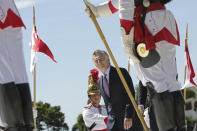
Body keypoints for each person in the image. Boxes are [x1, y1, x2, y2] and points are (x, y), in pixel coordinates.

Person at [84, 0, 186, 130]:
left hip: (146, 26)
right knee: (171, 83)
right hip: (163, 21)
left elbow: (122, 2)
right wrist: (97, 11)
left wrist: (97, 12)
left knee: (157, 84)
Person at [0, 0, 34, 130]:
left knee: (4, 71)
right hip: (10, 12)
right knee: (18, 72)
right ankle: (25, 124)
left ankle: (13, 125)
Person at [92, 50, 142, 131]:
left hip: (129, 121)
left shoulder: (121, 72)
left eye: (101, 59)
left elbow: (130, 95)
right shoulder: (99, 82)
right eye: (96, 61)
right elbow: (108, 104)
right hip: (113, 125)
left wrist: (129, 115)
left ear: (108, 59)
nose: (99, 62)